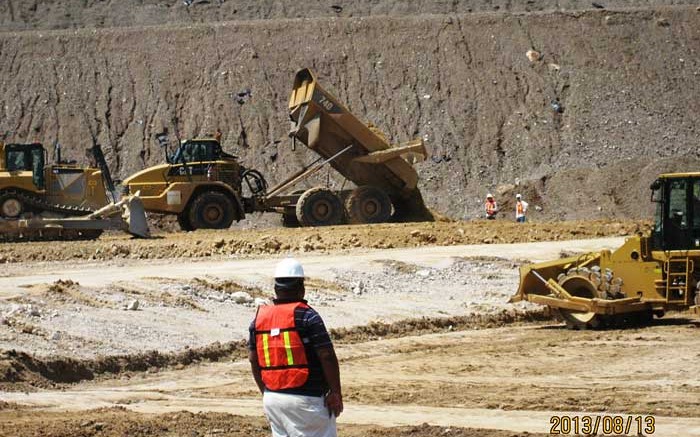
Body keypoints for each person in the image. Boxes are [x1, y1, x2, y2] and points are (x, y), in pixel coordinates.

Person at [249, 258, 343, 437]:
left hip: (273, 399)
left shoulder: (259, 320)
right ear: (302, 287)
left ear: (276, 289)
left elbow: (254, 359)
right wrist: (336, 393)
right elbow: (326, 355)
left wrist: (267, 393)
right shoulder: (308, 316)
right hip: (307, 400)